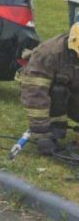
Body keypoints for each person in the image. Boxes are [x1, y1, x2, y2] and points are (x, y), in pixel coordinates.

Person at [18, 23, 79, 156]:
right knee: (58, 90)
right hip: (49, 91)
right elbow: (35, 95)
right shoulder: (48, 54)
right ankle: (53, 132)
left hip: (74, 88)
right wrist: (42, 134)